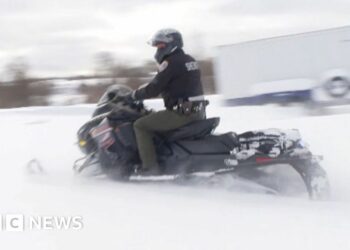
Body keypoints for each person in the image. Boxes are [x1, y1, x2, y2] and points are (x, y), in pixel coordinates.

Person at [124, 28, 207, 175]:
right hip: (197, 111)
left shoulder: (170, 62)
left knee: (140, 125)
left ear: (172, 44)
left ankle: (150, 168)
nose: (158, 49)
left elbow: (154, 88)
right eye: (157, 46)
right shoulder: (189, 60)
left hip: (181, 113)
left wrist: (133, 95)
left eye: (161, 45)